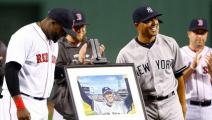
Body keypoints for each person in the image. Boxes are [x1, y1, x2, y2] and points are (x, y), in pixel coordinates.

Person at [0, 8, 75, 120]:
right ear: (53, 22)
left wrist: (78, 67)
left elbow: (47, 71)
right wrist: (20, 106)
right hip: (21, 101)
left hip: (42, 104)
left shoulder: (53, 42)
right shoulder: (25, 36)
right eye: (63, 31)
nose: (64, 35)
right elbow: (11, 70)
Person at [116, 5, 187, 120]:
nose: (154, 23)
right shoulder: (125, 54)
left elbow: (179, 77)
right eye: (148, 20)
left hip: (171, 104)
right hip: (145, 106)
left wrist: (183, 105)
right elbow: (123, 90)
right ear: (137, 25)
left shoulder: (170, 43)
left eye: (155, 18)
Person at [50, 9, 105, 120]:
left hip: (87, 108)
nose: (81, 30)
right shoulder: (57, 46)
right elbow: (57, 76)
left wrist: (99, 64)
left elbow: (101, 79)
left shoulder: (92, 45)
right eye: (77, 27)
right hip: (64, 109)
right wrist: (78, 62)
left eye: (83, 26)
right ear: (68, 28)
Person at [181, 18, 212, 120]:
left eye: (202, 33)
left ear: (207, 35)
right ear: (189, 34)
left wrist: (211, 72)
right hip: (189, 108)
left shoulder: (211, 53)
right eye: (196, 32)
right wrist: (192, 67)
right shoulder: (180, 53)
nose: (199, 36)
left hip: (209, 109)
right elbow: (176, 83)